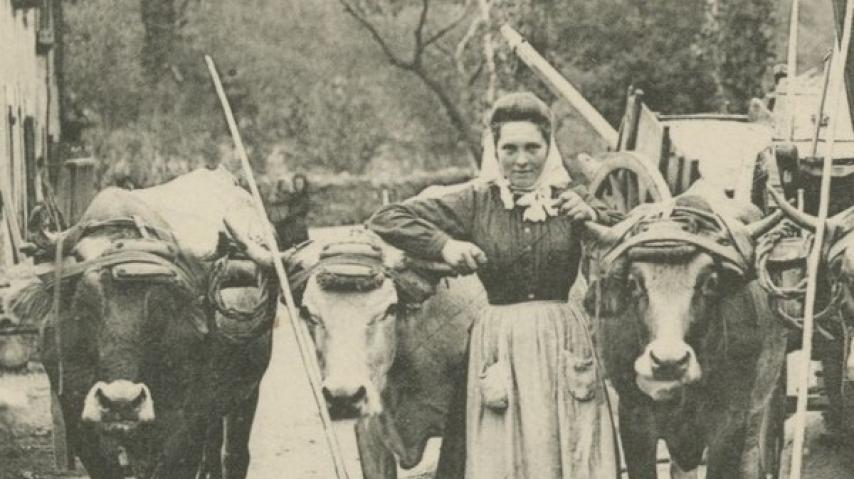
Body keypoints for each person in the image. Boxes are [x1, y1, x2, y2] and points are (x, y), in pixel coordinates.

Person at [367, 92, 622, 478]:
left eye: (532, 148)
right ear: (495, 150)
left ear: (549, 148)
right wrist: (445, 245)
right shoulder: (476, 201)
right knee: (500, 445)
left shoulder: (570, 199)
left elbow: (626, 224)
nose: (522, 160)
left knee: (569, 440)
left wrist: (593, 213)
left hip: (562, 338)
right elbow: (388, 218)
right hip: (500, 340)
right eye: (510, 149)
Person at [272, 174, 311, 249]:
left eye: (300, 183)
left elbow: (297, 211)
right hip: (292, 223)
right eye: (296, 183)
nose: (298, 186)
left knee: (282, 227)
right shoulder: (293, 195)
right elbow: (281, 200)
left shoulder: (305, 198)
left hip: (298, 225)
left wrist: (284, 219)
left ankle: (288, 245)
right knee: (279, 227)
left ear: (304, 185)